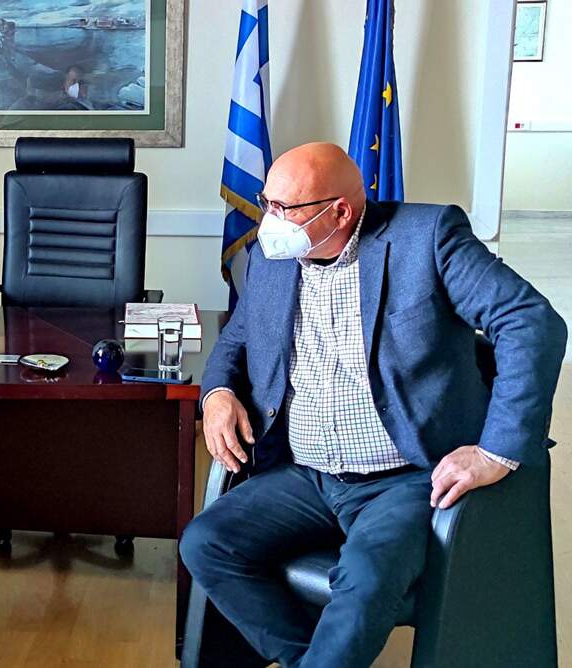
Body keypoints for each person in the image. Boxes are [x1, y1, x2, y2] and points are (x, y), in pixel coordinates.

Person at [179, 142, 566, 667]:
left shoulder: (427, 238)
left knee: (363, 580)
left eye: (284, 208)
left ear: (340, 211)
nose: (269, 221)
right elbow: (236, 340)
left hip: (408, 475)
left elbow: (530, 321)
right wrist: (219, 393)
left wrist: (495, 451)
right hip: (307, 473)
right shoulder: (275, 257)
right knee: (206, 542)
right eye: (267, 203)